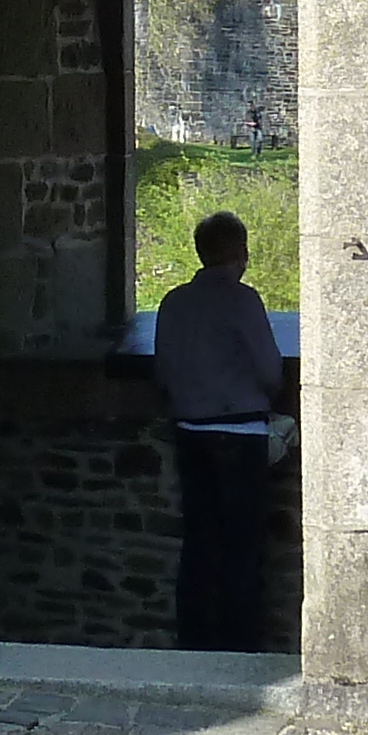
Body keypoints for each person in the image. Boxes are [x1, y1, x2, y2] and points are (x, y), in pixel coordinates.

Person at [152, 209, 287, 651]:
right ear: (241, 254)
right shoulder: (242, 300)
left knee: (199, 543)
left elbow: (163, 372)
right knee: (242, 548)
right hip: (241, 432)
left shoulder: (174, 302)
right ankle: (239, 646)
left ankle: (193, 642)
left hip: (190, 428)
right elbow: (270, 371)